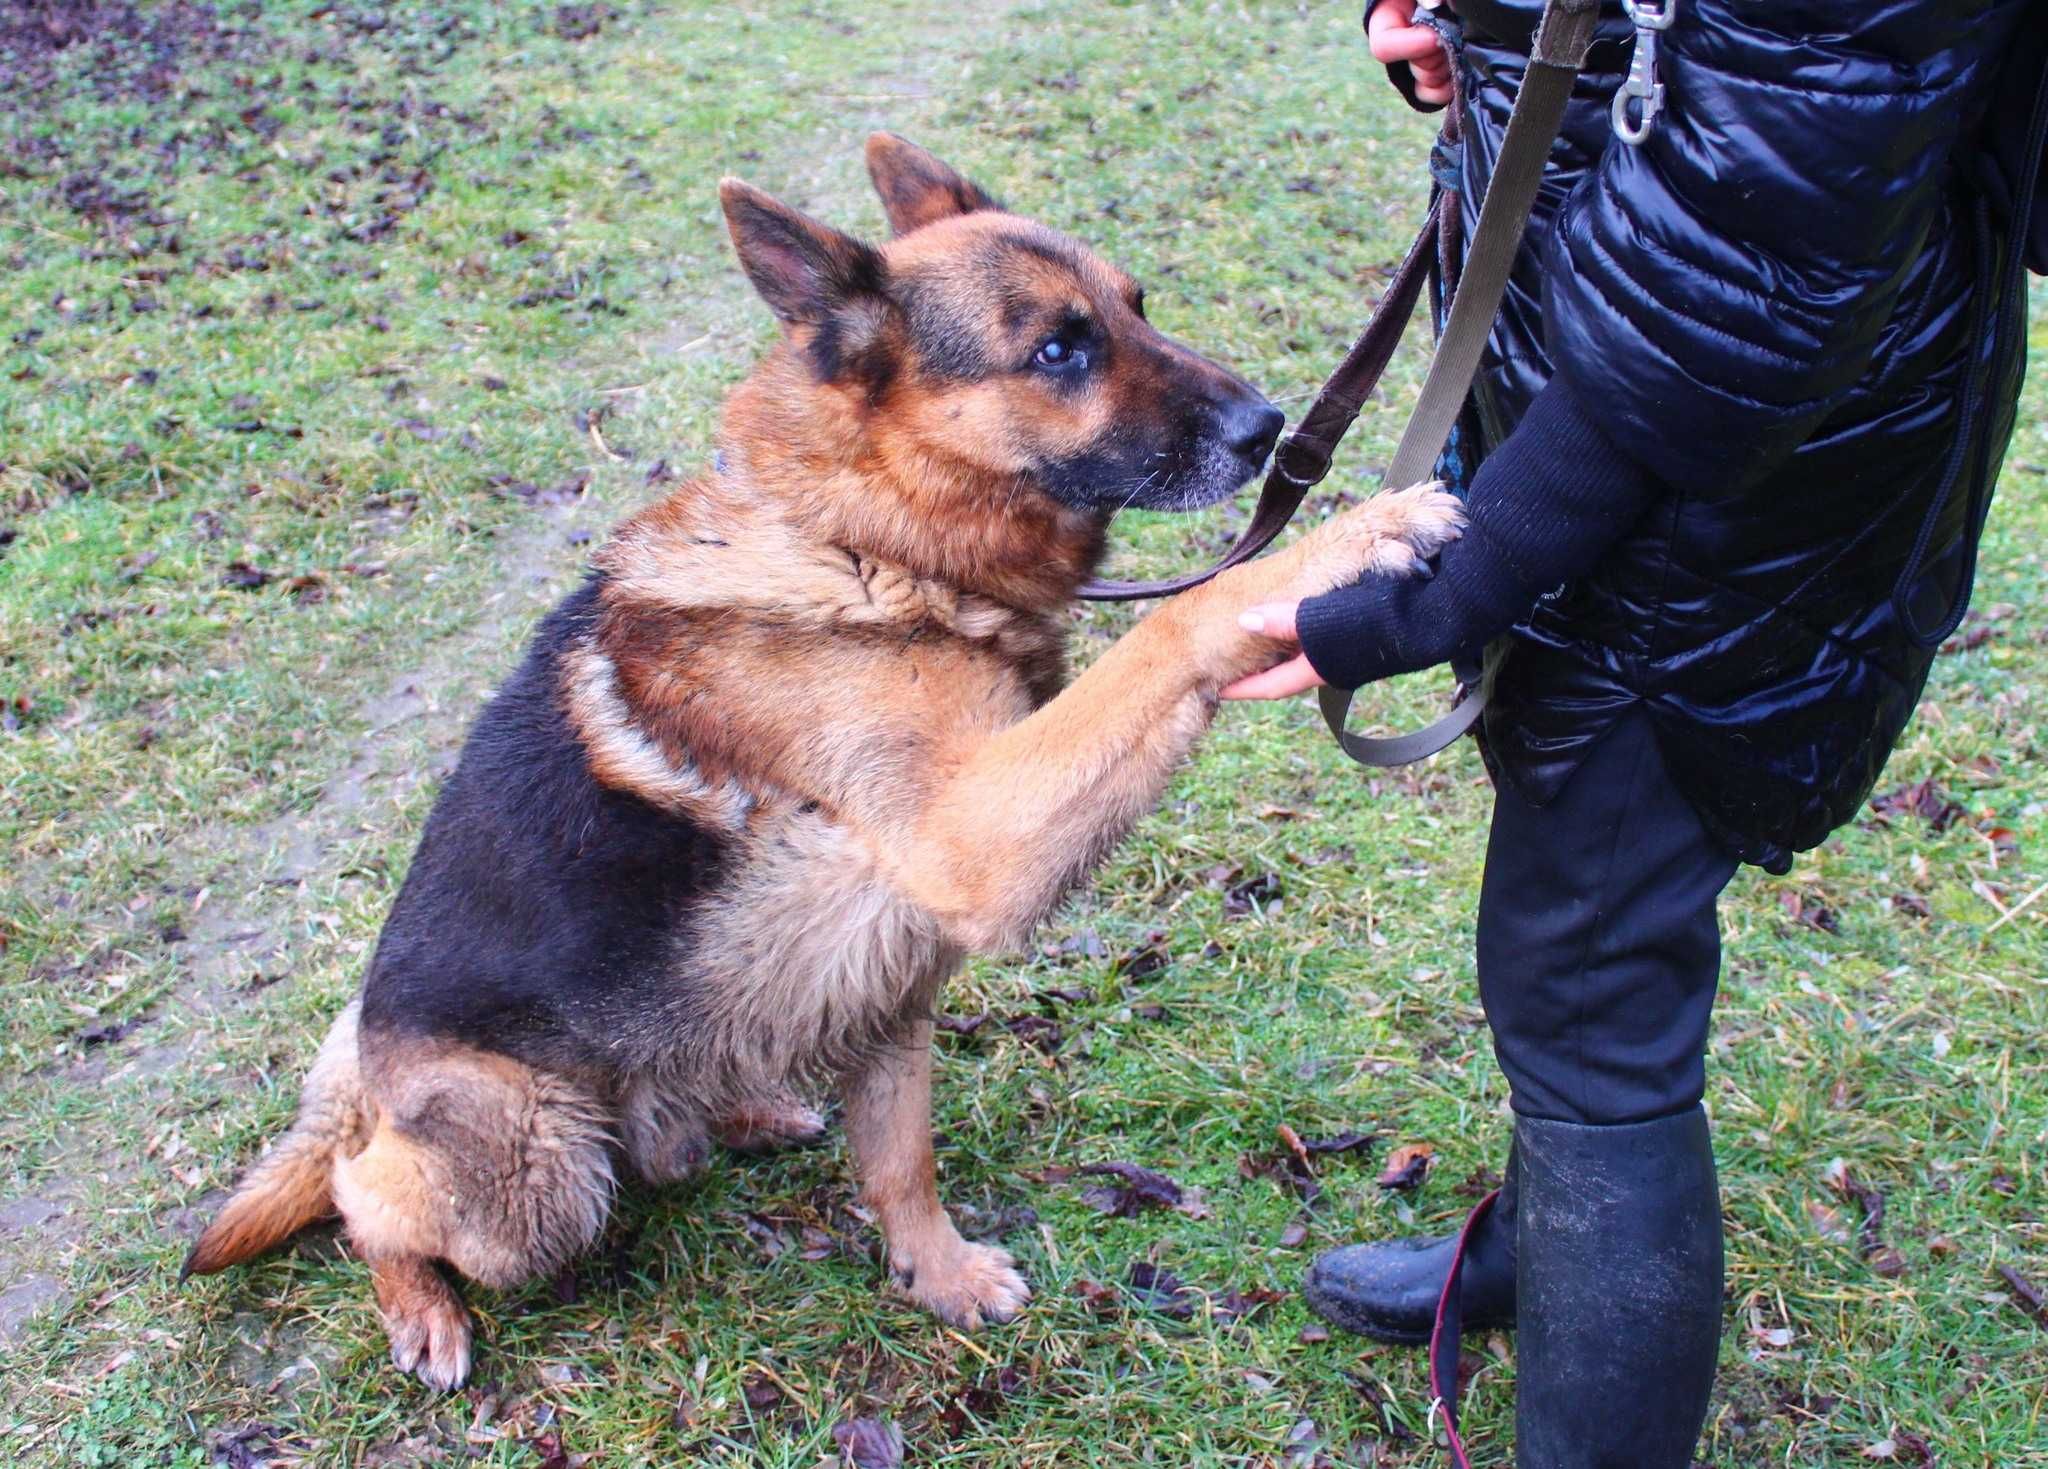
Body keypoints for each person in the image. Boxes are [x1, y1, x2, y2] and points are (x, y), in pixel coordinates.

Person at [1221, 0, 2040, 1463]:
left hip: (1741, 457)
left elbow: (1774, 218)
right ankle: (1555, 1254)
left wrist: (1458, 575)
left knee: (1589, 977)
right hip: (1598, 358)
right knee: (1560, 885)